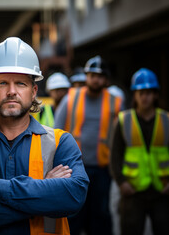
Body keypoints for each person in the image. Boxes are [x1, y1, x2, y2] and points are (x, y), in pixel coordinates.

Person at [0, 37, 89, 234]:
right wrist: (43, 191)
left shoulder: (61, 142)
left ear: (34, 91)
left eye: (20, 83)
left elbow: (73, 196)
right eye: (2, 83)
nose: (11, 92)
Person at [110, 68, 169, 235]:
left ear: (155, 95)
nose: (145, 97)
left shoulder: (168, 120)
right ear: (135, 95)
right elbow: (115, 156)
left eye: (149, 93)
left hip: (161, 191)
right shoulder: (124, 121)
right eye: (141, 92)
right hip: (132, 193)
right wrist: (122, 183)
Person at [54, 55, 123, 235]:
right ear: (86, 76)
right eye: (92, 75)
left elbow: (123, 135)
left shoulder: (115, 102)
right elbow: (57, 130)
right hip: (75, 168)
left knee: (100, 213)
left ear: (105, 79)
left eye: (99, 76)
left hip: (102, 168)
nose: (95, 79)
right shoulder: (72, 98)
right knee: (74, 213)